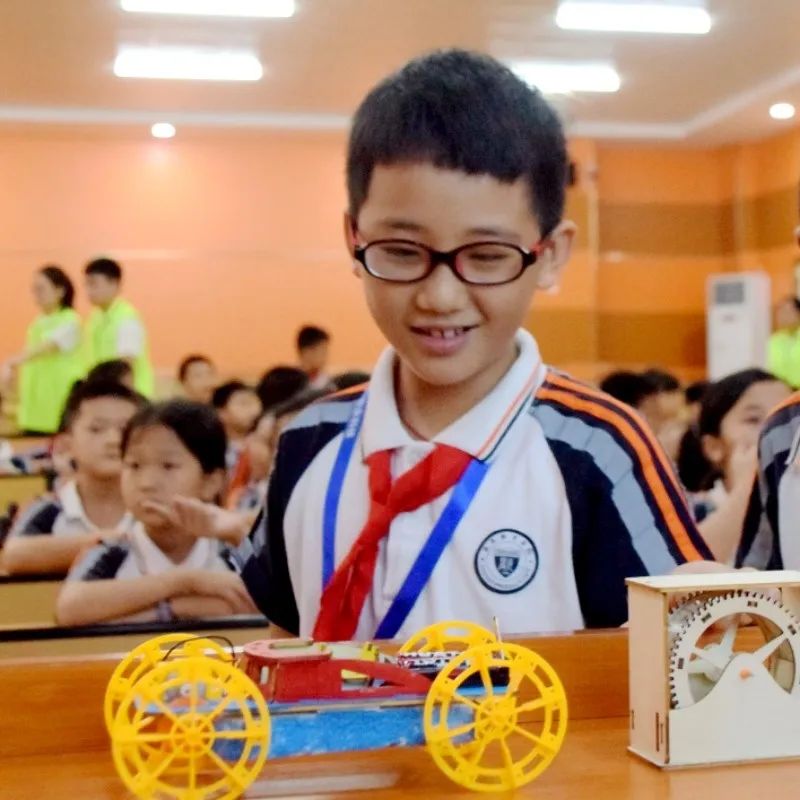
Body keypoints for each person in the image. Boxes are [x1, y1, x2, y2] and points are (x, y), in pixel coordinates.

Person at [237, 50, 712, 642]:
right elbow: (285, 639)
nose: (440, 297)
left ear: (551, 255)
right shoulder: (310, 440)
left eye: (487, 256)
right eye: (402, 252)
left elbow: (681, 650)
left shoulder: (601, 450)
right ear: (353, 239)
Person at [56, 401, 258, 626]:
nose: (147, 484)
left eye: (168, 466)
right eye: (134, 466)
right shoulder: (113, 549)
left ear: (211, 482)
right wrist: (185, 585)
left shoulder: (230, 551)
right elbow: (69, 608)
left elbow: (270, 604)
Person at [2, 381, 145, 576]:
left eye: (124, 430)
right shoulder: (48, 509)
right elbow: (14, 555)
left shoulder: (154, 506)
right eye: (96, 429)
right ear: (66, 445)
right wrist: (114, 540)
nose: (113, 440)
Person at [677, 370, 789, 563]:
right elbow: (686, 567)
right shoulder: (692, 509)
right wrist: (746, 488)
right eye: (753, 419)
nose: (775, 429)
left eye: (785, 418)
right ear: (713, 447)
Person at [2, 266, 84, 435]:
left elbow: (47, 347)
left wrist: (11, 361)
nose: (36, 295)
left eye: (41, 289)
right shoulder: (38, 323)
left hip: (57, 406)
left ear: (60, 291)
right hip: (35, 410)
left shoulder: (70, 321)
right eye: (34, 290)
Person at [83, 257, 154, 397]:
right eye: (87, 284)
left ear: (114, 284)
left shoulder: (126, 319)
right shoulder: (95, 317)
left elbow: (126, 364)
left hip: (128, 396)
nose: (89, 290)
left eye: (94, 284)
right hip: (103, 392)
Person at [211, 381, 263, 473]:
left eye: (255, 403)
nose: (254, 410)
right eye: (244, 404)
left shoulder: (263, 445)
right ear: (221, 412)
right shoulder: (213, 450)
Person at [767, 296, 800, 389]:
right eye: (779, 312)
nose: (782, 316)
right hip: (782, 392)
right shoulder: (773, 341)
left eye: (786, 312)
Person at [296, 326, 332, 390]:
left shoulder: (326, 381)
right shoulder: (291, 381)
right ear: (307, 352)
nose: (326, 356)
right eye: (323, 351)